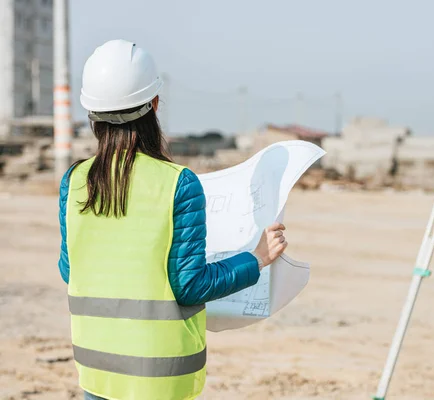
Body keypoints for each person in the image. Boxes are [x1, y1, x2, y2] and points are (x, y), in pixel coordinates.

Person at [58, 39, 288, 400]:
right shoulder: (177, 183)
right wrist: (256, 258)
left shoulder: (73, 182)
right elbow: (190, 286)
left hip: (96, 368)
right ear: (154, 104)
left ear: (92, 115)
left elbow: (71, 271)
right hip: (159, 375)